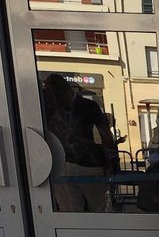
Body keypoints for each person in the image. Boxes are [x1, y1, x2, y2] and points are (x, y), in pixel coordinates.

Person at [42, 72, 117, 212]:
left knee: (71, 214)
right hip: (90, 163)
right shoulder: (89, 106)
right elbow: (105, 135)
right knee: (98, 211)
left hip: (60, 164)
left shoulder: (46, 109)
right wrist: (111, 161)